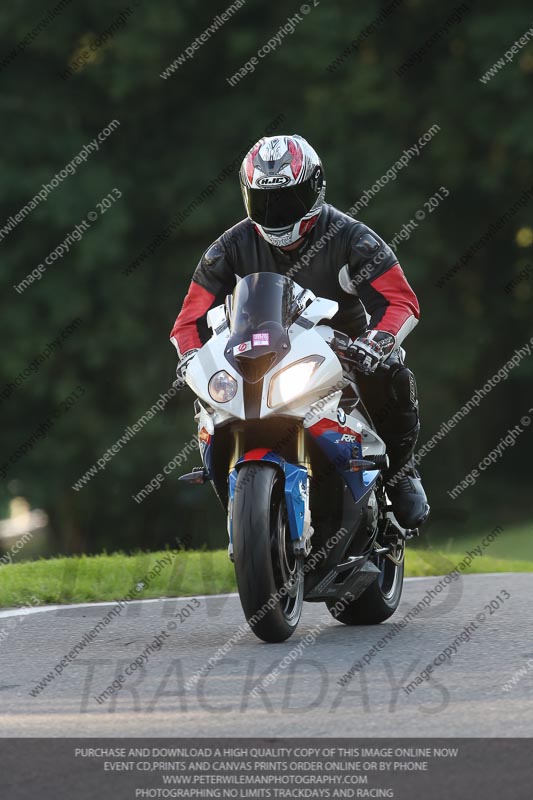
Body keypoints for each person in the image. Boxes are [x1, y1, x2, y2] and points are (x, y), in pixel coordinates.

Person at [170, 134, 429, 529]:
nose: (275, 213)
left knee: (392, 373)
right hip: (257, 355)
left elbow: (399, 301)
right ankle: (240, 503)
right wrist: (192, 356)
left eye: (287, 199)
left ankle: (400, 471)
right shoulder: (228, 248)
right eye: (264, 201)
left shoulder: (352, 237)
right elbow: (188, 321)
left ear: (315, 189)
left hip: (343, 351)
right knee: (210, 406)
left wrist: (378, 341)